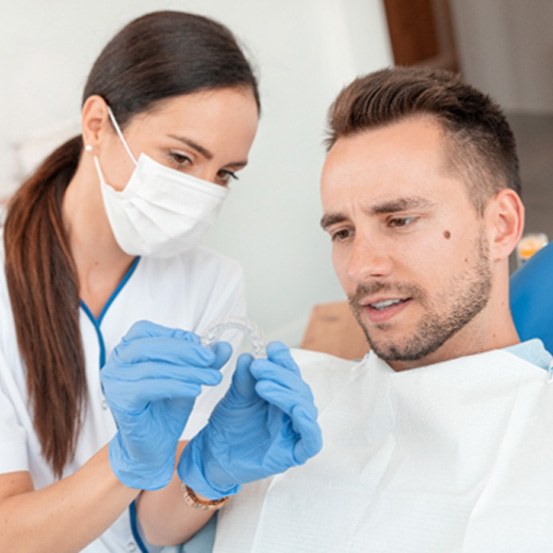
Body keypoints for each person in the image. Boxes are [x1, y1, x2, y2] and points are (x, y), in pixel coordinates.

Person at [0, 10, 322, 553]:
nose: (203, 192)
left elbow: (151, 529)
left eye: (224, 173)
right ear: (98, 125)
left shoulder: (211, 283)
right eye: (180, 158)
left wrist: (212, 470)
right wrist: (126, 463)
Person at [205, 67, 553, 552]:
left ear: (500, 225)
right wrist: (195, 481)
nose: (362, 267)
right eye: (342, 232)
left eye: (400, 220)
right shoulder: (287, 404)